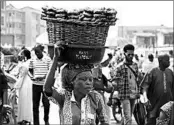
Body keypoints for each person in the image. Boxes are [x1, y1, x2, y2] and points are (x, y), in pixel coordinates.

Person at [43, 46, 109, 125]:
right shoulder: (64, 97)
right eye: (83, 79)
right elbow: (47, 89)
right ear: (72, 81)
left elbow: (104, 121)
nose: (88, 83)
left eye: (90, 80)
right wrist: (55, 58)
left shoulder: (96, 97)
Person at [140, 54, 174, 125]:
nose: (169, 62)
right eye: (167, 60)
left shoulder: (170, 72)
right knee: (151, 122)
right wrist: (145, 99)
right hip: (154, 105)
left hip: (168, 105)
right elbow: (144, 88)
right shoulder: (152, 72)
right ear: (160, 61)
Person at [111, 44, 140, 125]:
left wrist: (138, 92)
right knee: (128, 118)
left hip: (134, 94)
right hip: (124, 94)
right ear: (124, 54)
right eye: (129, 54)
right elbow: (114, 80)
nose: (131, 56)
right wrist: (116, 87)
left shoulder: (135, 65)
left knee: (128, 116)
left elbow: (137, 79)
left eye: (132, 54)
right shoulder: (119, 67)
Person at [29, 44, 52, 125]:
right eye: (35, 52)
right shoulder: (32, 60)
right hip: (35, 84)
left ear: (42, 51)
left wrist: (43, 77)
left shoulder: (48, 59)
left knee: (46, 104)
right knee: (35, 105)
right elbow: (30, 70)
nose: (36, 54)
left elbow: (51, 72)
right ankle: (36, 122)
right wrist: (32, 77)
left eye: (38, 52)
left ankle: (46, 119)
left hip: (45, 85)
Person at [13, 49, 33, 124]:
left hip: (25, 84)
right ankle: (26, 119)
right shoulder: (27, 62)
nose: (20, 55)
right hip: (27, 83)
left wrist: (16, 86)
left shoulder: (25, 64)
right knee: (26, 101)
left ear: (25, 55)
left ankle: (24, 119)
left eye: (21, 54)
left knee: (24, 101)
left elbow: (22, 76)